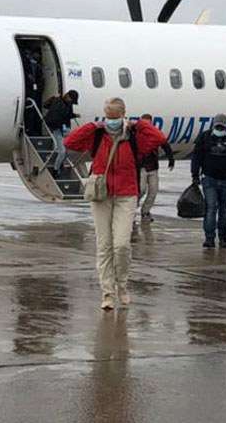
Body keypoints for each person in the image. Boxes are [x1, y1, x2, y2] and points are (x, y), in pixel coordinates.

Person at [64, 97, 167, 310]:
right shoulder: (97, 135)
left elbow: (159, 138)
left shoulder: (133, 137)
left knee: (121, 245)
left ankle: (122, 285)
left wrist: (139, 124)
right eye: (107, 117)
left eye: (114, 117)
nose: (110, 121)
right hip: (101, 194)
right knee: (104, 245)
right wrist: (93, 126)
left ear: (123, 115)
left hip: (126, 195)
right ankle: (107, 293)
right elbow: (70, 142)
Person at [191, 113, 226, 249]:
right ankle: (213, 238)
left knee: (220, 209)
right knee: (215, 208)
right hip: (212, 178)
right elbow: (197, 157)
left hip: (224, 179)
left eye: (221, 126)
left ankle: (220, 238)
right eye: (218, 126)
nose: (220, 128)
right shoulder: (205, 137)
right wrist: (195, 175)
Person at [137, 114, 175, 222]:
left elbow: (165, 145)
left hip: (153, 167)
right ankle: (131, 208)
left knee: (153, 191)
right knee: (141, 190)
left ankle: (145, 211)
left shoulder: (155, 134)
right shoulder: (136, 134)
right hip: (141, 167)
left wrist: (171, 159)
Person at [43, 90, 79, 175]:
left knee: (65, 150)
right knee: (62, 151)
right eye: (71, 100)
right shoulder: (57, 102)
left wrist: (74, 115)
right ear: (68, 96)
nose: (71, 102)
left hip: (64, 128)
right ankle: (55, 169)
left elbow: (68, 115)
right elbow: (47, 107)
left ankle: (60, 164)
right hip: (57, 128)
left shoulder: (68, 104)